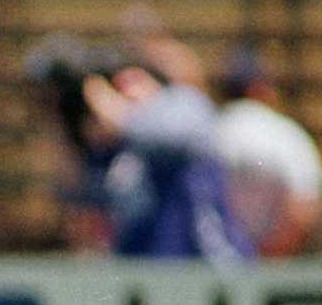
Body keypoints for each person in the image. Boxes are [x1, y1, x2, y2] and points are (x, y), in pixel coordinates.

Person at [25, 35, 254, 264]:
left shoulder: (183, 103)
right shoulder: (118, 151)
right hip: (151, 276)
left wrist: (115, 111)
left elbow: (167, 137)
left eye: (127, 80)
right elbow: (76, 191)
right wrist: (70, 131)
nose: (124, 89)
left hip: (208, 269)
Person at [215, 48, 322, 258]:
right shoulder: (284, 134)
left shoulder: (209, 131)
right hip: (268, 266)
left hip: (213, 266)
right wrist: (265, 260)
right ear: (259, 88)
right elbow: (304, 211)